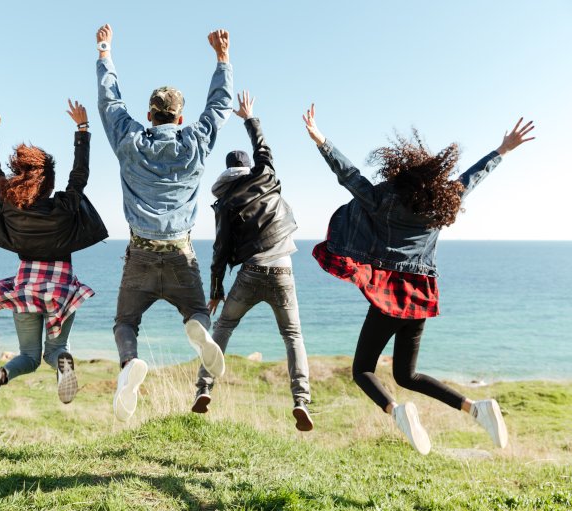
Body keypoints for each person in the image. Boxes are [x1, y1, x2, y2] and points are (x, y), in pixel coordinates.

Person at [303, 105, 534, 454]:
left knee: (363, 370)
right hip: (421, 294)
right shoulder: (441, 204)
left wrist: (321, 140)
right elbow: (472, 178)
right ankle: (475, 408)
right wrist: (502, 150)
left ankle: (396, 411)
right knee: (405, 375)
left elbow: (349, 176)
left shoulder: (383, 199)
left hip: (389, 293)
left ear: (399, 170)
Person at [95, 23, 233, 421]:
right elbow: (219, 108)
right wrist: (222, 59)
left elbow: (110, 103)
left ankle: (129, 365)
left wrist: (105, 52)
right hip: (180, 253)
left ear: (150, 114)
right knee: (196, 310)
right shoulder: (195, 142)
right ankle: (199, 332)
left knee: (125, 322)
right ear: (179, 117)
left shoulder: (130, 140)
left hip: (140, 253)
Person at [191, 91, 313, 431]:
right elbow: (264, 149)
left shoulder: (226, 202)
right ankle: (301, 400)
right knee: (293, 336)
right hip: (283, 270)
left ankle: (204, 390)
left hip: (251, 272)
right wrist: (249, 118)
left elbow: (220, 251)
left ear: (228, 172)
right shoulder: (268, 177)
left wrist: (216, 290)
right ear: (249, 167)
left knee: (223, 328)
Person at [0, 101, 99, 417]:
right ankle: (62, 363)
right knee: (54, 351)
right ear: (50, 183)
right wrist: (82, 130)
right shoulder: (65, 205)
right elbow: (80, 173)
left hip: (26, 286)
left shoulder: (10, 205)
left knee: (28, 355)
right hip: (60, 287)